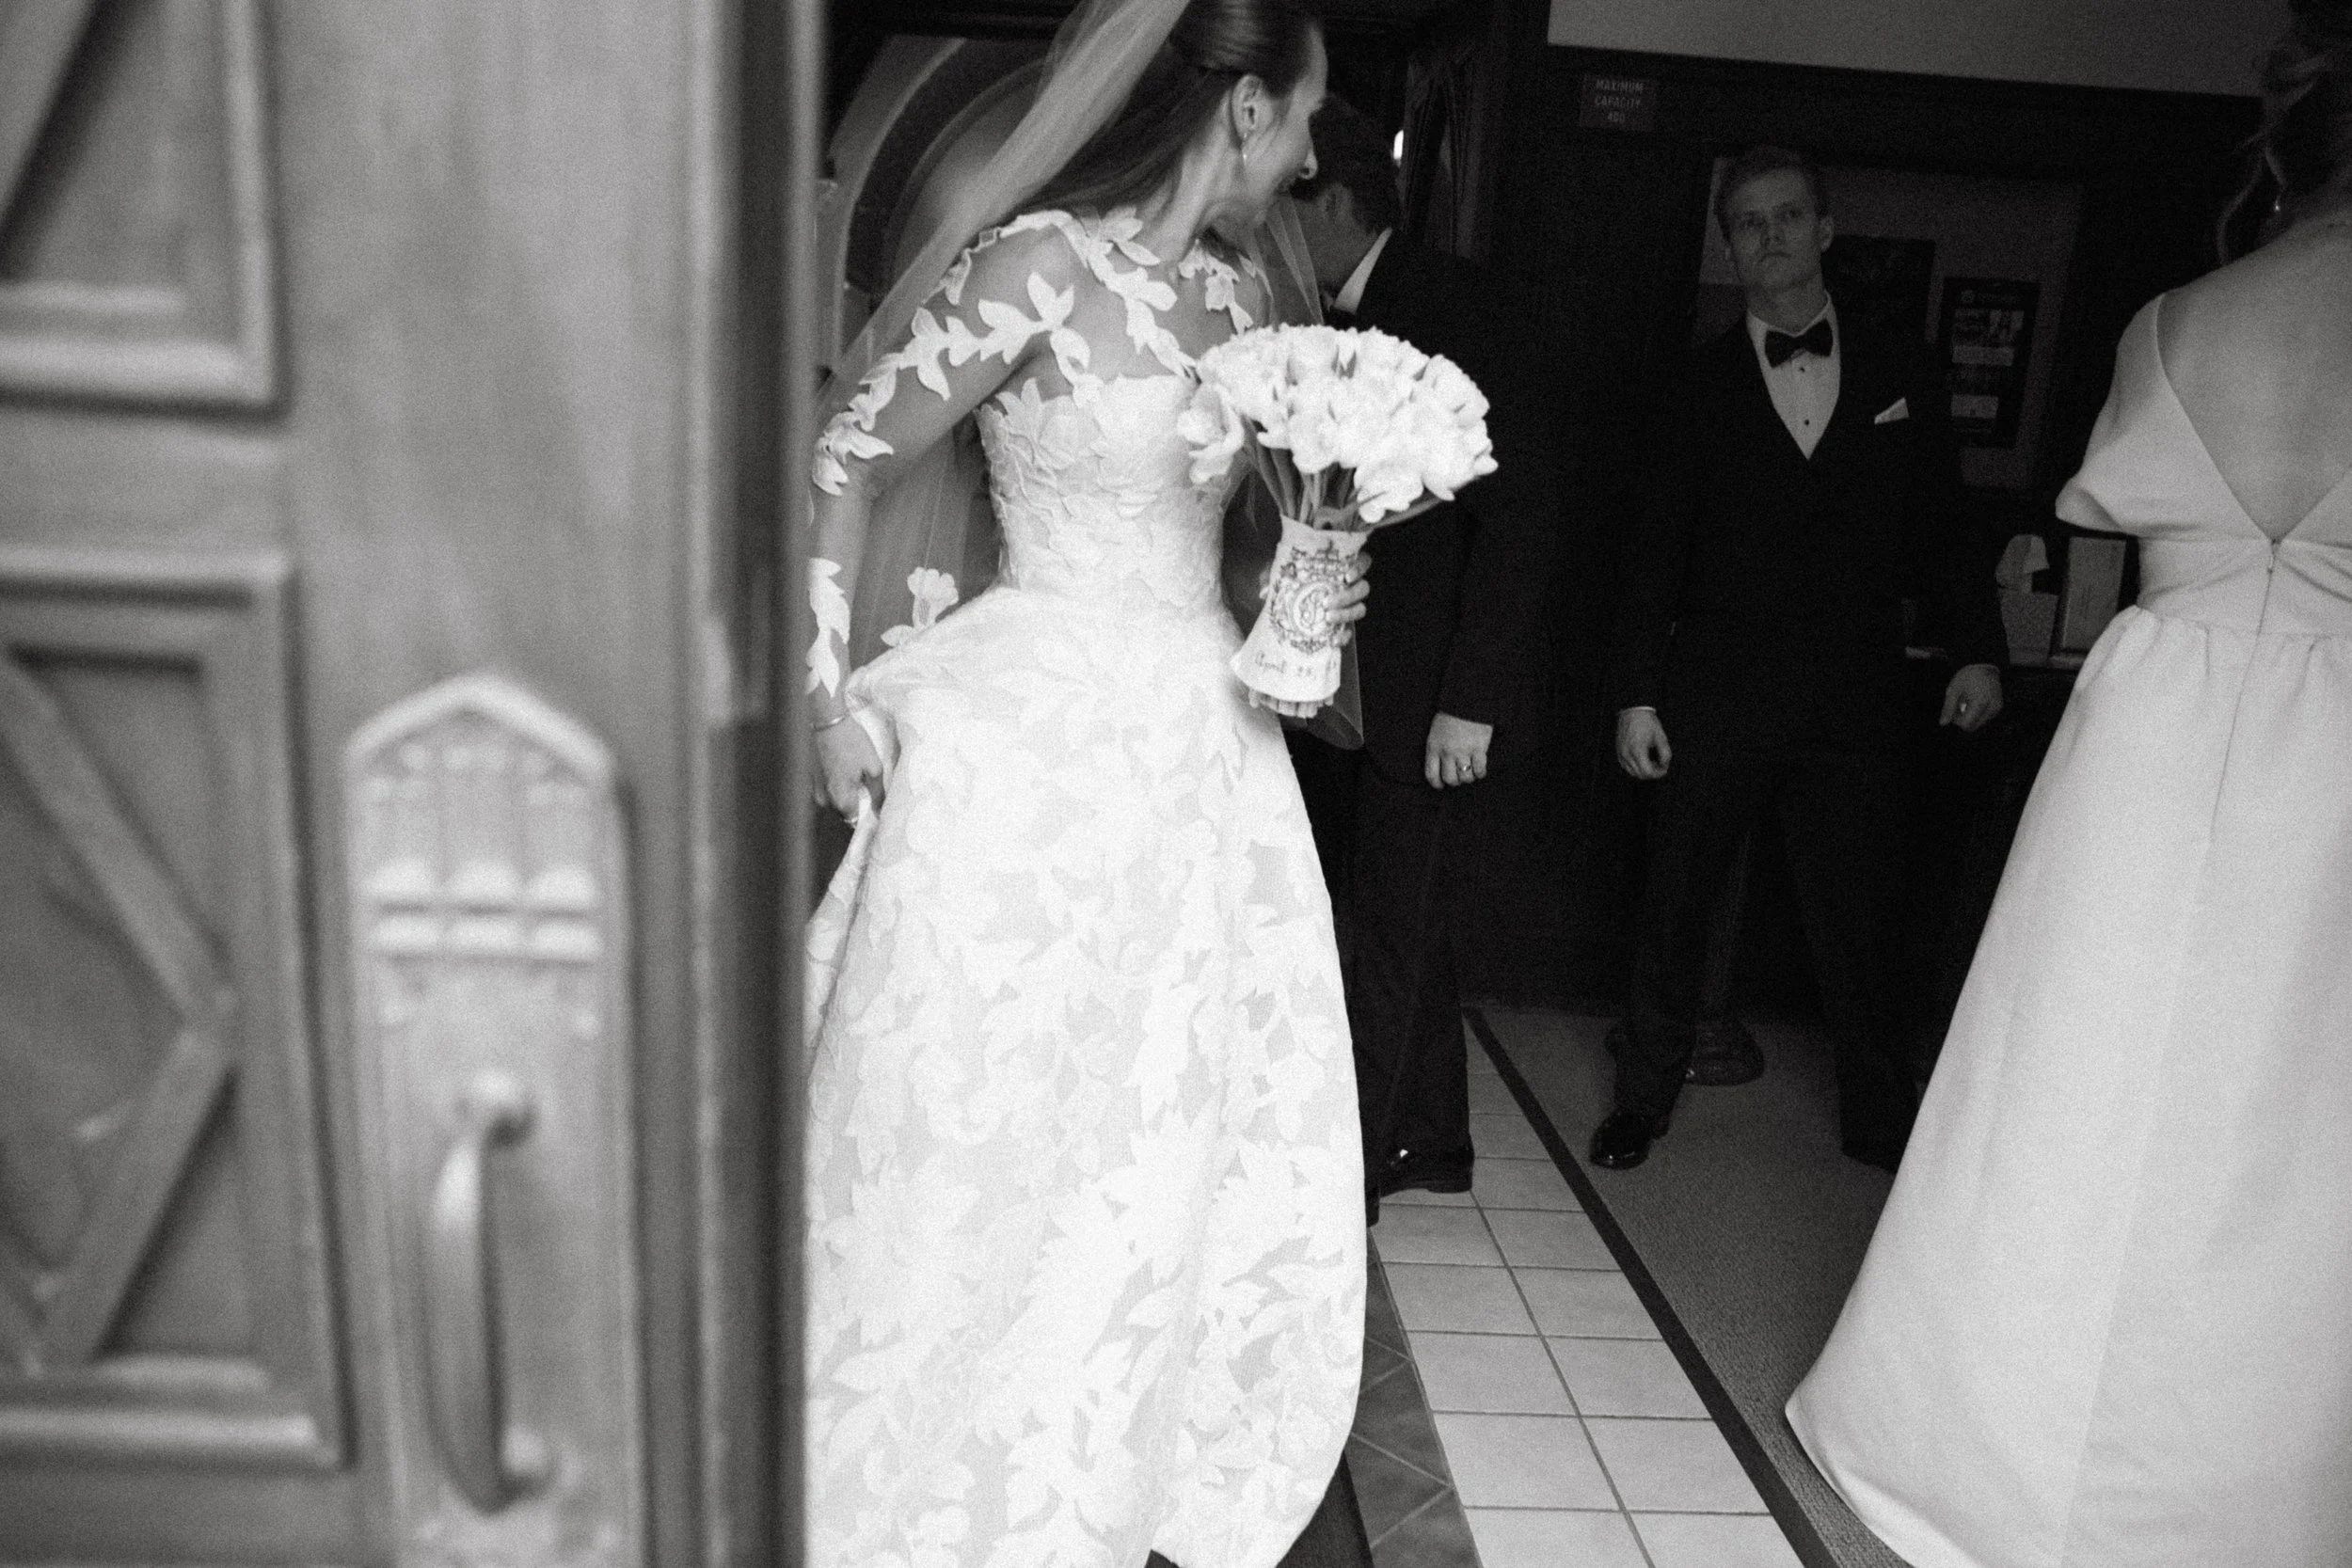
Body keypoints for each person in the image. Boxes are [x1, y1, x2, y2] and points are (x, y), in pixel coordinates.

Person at [799, 3, 1370, 1564]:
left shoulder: (1249, 297)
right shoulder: (1035, 265)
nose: (1319, 154)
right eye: (1304, 113)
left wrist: (1315, 576)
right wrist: (822, 692)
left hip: (1204, 744)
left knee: (1158, 1114)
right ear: (1239, 107)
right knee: (976, 1103)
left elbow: (1244, 542)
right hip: (1029, 739)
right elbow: (843, 458)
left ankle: (1099, 1448)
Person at [1788, 6, 2352, 1561]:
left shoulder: (2178, 321)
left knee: (2075, 1076)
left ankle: (1979, 1443)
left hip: (2156, 732)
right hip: (2331, 743)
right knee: (2288, 1119)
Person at [1591, 146, 2008, 1174]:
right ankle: (1640, 1101)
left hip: (1856, 690)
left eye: (1786, 216)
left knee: (1863, 912)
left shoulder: (1901, 368)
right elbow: (1653, 550)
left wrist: (1978, 651)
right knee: (1674, 900)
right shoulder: (1691, 385)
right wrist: (1634, 693)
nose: (1768, 236)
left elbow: (1947, 527)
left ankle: (1878, 1115)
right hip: (1717, 686)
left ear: (1825, 230)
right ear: (1729, 246)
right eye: (1747, 222)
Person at [1284, 99, 1565, 1219]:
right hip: (1343, 685)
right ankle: (1434, 1138)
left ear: (1340, 203)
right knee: (1402, 919)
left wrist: (1471, 702)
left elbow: (1520, 517)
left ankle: (1352, 1175)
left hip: (1429, 692)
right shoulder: (1312, 319)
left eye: (1292, 206)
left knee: (1389, 936)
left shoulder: (1464, 307)